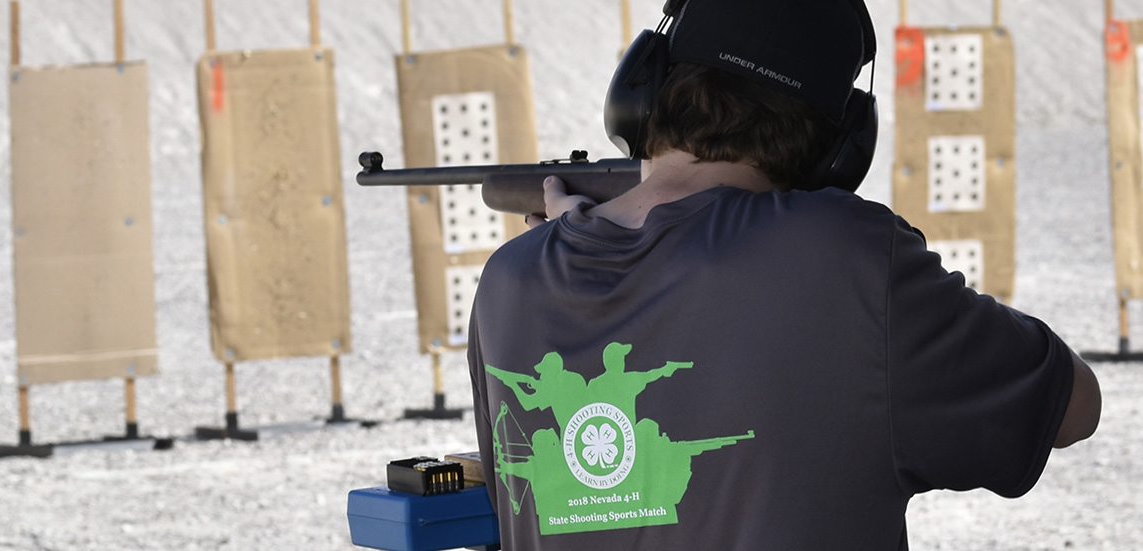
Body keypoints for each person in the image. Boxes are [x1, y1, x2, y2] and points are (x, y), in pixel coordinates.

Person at [468, 0, 1101, 548]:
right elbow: (1073, 407)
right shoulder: (846, 256)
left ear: (641, 87)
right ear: (840, 145)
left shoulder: (509, 281)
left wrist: (568, 240)